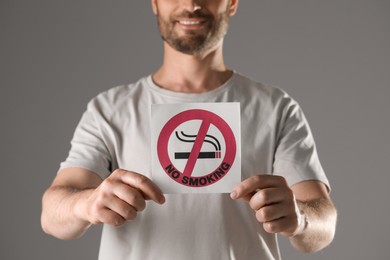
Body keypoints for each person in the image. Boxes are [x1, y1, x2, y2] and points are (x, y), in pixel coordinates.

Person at [41, 0, 337, 259]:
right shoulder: (108, 110)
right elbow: (52, 215)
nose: (192, 3)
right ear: (155, 2)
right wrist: (86, 204)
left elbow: (323, 222)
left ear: (232, 2)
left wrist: (300, 219)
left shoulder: (277, 107)